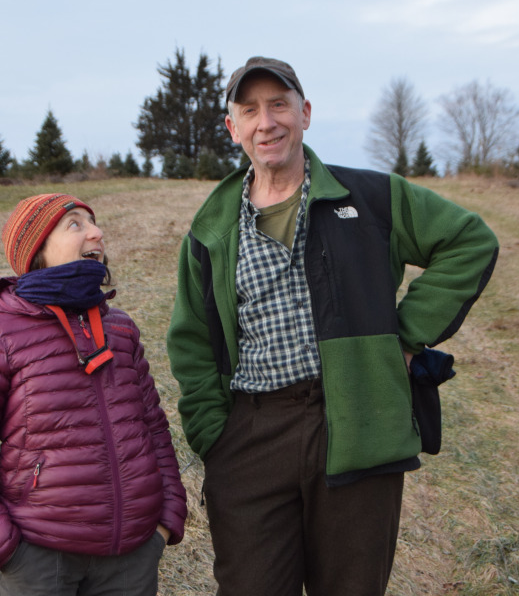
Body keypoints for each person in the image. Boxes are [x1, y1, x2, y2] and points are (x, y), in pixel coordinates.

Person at [166, 56, 499, 596]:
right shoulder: (211, 229)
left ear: (306, 113)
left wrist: (403, 334)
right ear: (233, 128)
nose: (266, 122)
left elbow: (469, 242)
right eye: (249, 110)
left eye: (279, 105)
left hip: (358, 422)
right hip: (252, 434)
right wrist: (215, 434)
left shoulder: (369, 197)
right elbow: (191, 341)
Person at [0, 193, 187, 596]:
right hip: (38, 561)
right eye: (75, 224)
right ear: (37, 249)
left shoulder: (119, 328)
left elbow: (155, 431)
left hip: (132, 558)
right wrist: (4, 549)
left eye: (94, 222)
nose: (97, 232)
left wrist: (165, 522)